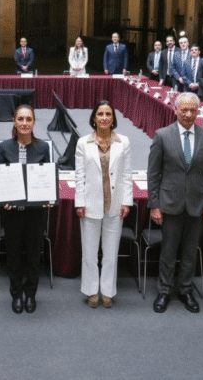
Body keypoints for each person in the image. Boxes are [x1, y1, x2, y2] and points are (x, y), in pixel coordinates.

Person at [147, 93, 203, 314]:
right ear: (175, 110)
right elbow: (153, 174)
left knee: (189, 252)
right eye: (184, 110)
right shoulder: (162, 135)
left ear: (198, 112)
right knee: (168, 251)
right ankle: (165, 290)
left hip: (197, 205)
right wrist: (154, 204)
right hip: (170, 203)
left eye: (192, 110)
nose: (188, 114)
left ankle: (186, 289)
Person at [74, 100, 132, 308]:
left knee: (110, 253)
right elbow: (79, 176)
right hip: (90, 204)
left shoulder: (123, 142)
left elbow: (126, 174)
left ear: (113, 118)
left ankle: (107, 290)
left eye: (108, 114)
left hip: (115, 205)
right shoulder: (83, 143)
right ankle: (91, 290)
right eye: (100, 114)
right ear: (94, 118)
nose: (104, 118)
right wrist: (79, 202)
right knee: (89, 254)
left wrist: (127, 201)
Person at [0, 105, 50, 313]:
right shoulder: (4, 147)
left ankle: (31, 294)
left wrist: (48, 196)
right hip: (12, 213)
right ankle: (16, 293)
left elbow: (47, 178)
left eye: (29, 119)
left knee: (34, 256)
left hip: (36, 213)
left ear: (34, 123)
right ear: (14, 122)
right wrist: (4, 199)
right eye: (21, 119)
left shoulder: (43, 148)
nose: (25, 123)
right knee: (14, 255)